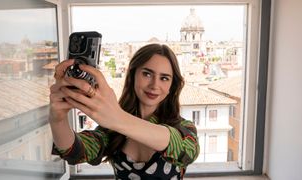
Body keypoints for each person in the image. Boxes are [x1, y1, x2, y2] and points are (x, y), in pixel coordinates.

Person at [49, 43, 199, 179]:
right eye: (147, 74)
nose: (154, 85)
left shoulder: (184, 128)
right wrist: (58, 120)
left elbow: (186, 150)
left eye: (164, 78)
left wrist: (117, 118)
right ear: (133, 75)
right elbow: (74, 151)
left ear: (172, 86)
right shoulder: (112, 130)